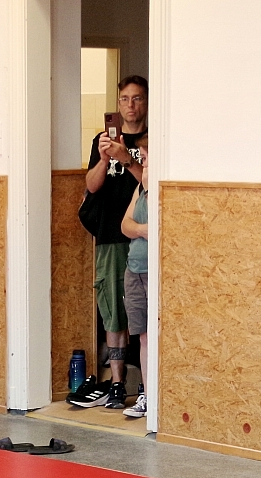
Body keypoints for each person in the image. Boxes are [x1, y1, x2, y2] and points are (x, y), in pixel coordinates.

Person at [69, 75, 148, 410]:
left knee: (143, 314)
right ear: (117, 104)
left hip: (142, 237)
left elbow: (150, 182)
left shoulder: (151, 140)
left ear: (146, 102)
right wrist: (105, 157)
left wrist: (127, 158)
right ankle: (116, 383)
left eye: (137, 98)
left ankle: (145, 384)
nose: (131, 106)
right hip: (110, 236)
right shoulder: (101, 141)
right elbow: (91, 186)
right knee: (113, 313)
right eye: (125, 99)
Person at [119, 139, 150, 420]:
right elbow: (126, 225)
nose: (144, 165)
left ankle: (157, 397)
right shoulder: (140, 188)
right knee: (142, 336)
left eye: (147, 159)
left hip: (153, 272)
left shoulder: (158, 192)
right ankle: (147, 395)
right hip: (135, 269)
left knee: (155, 334)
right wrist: (141, 230)